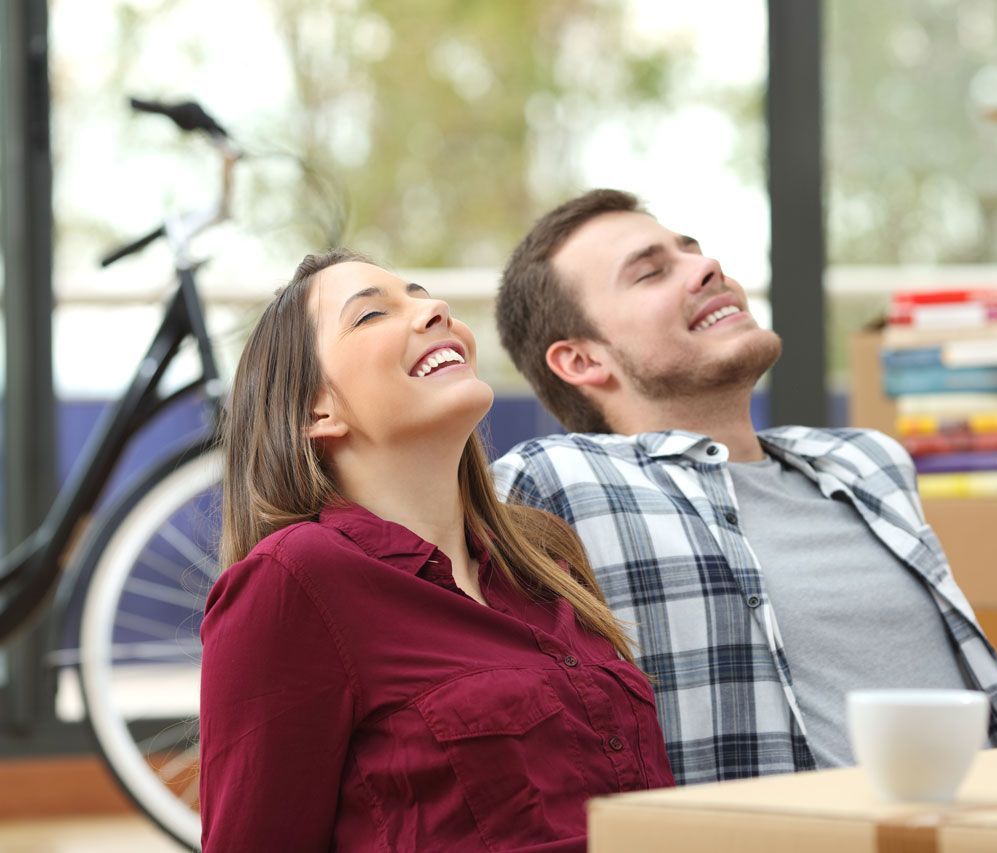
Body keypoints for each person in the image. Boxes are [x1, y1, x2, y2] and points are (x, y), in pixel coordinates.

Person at [490, 189, 997, 785]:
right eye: (652, 272)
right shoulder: (557, 481)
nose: (708, 268)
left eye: (693, 251)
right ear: (581, 361)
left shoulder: (864, 462)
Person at [199, 249, 673, 852]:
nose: (434, 310)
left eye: (423, 294)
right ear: (315, 410)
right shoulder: (296, 578)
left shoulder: (546, 560)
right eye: (371, 316)